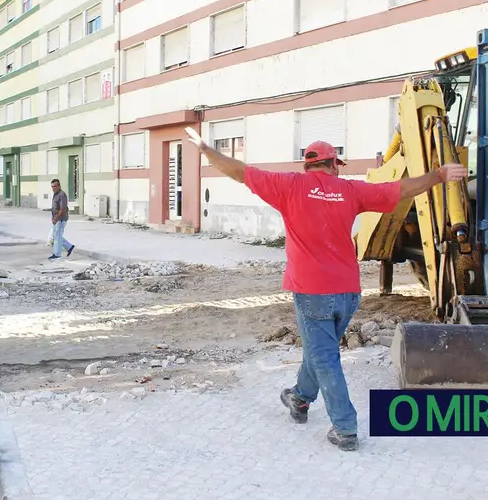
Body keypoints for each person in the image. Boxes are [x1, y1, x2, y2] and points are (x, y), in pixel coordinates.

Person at [186, 128, 468, 452]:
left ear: (308, 166)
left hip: (312, 291)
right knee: (319, 349)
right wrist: (438, 175)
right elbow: (399, 189)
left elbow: (241, 173)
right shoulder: (349, 190)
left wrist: (207, 150)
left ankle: (345, 428)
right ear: (334, 164)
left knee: (324, 355)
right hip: (347, 292)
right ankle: (300, 398)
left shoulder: (288, 186)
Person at [48, 178, 75, 260]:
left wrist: (56, 219)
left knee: (57, 236)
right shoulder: (55, 194)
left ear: (59, 186)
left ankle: (57, 254)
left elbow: (62, 209)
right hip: (56, 218)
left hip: (60, 218)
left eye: (55, 186)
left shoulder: (62, 195)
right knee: (56, 236)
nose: (53, 188)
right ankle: (69, 247)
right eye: (52, 186)